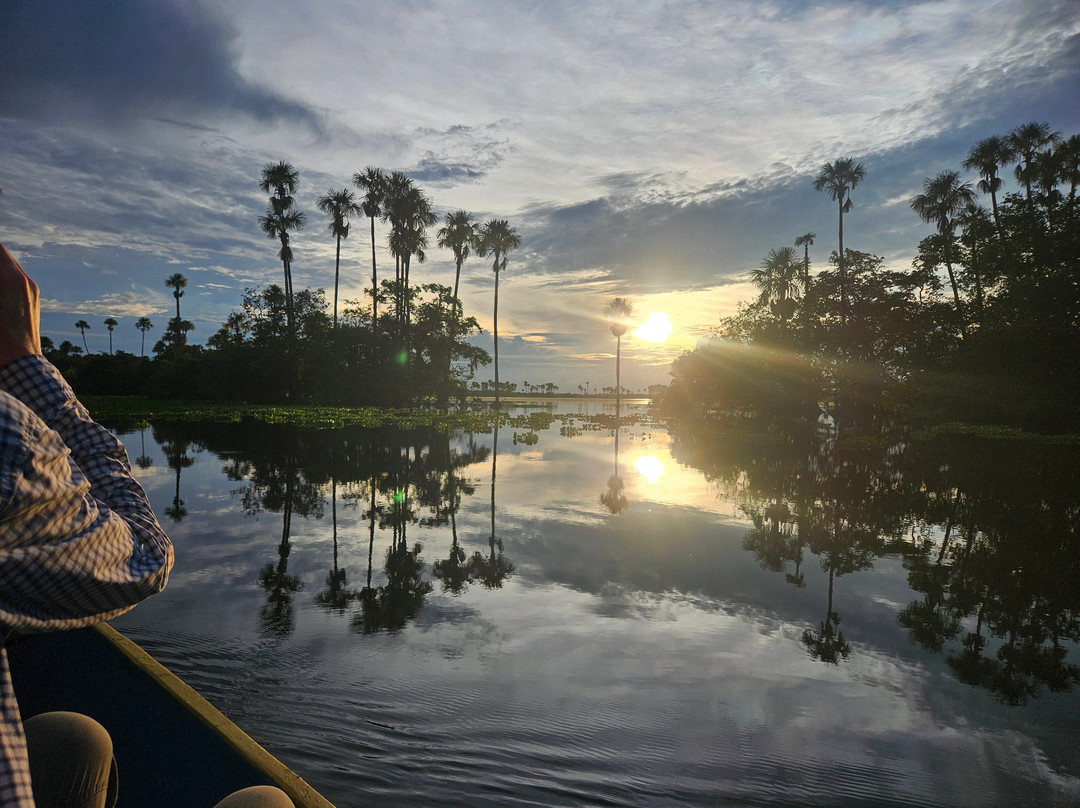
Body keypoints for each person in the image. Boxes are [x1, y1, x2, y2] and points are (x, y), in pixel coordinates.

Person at [0, 243, 292, 808]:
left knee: (75, 739)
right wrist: (26, 364)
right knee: (268, 803)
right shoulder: (8, 439)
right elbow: (143, 557)